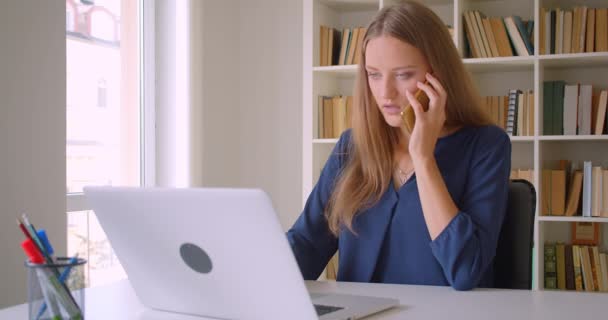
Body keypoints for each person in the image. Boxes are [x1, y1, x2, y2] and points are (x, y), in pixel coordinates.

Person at [287, 1, 511, 291]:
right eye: (374, 74)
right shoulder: (351, 147)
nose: (385, 93)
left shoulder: (486, 146)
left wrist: (423, 157)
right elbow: (307, 243)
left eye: (403, 75)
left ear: (438, 75)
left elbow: (465, 271)